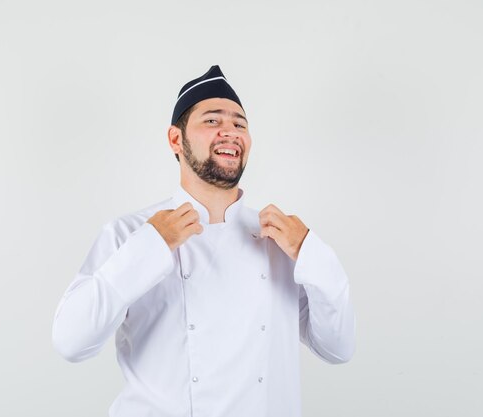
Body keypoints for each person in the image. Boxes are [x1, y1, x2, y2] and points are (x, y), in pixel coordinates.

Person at [52, 65, 356, 417]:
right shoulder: (130, 233)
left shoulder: (282, 240)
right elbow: (71, 342)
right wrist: (150, 246)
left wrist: (313, 255)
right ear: (175, 140)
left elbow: (338, 348)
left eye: (239, 124)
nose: (230, 131)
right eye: (212, 121)